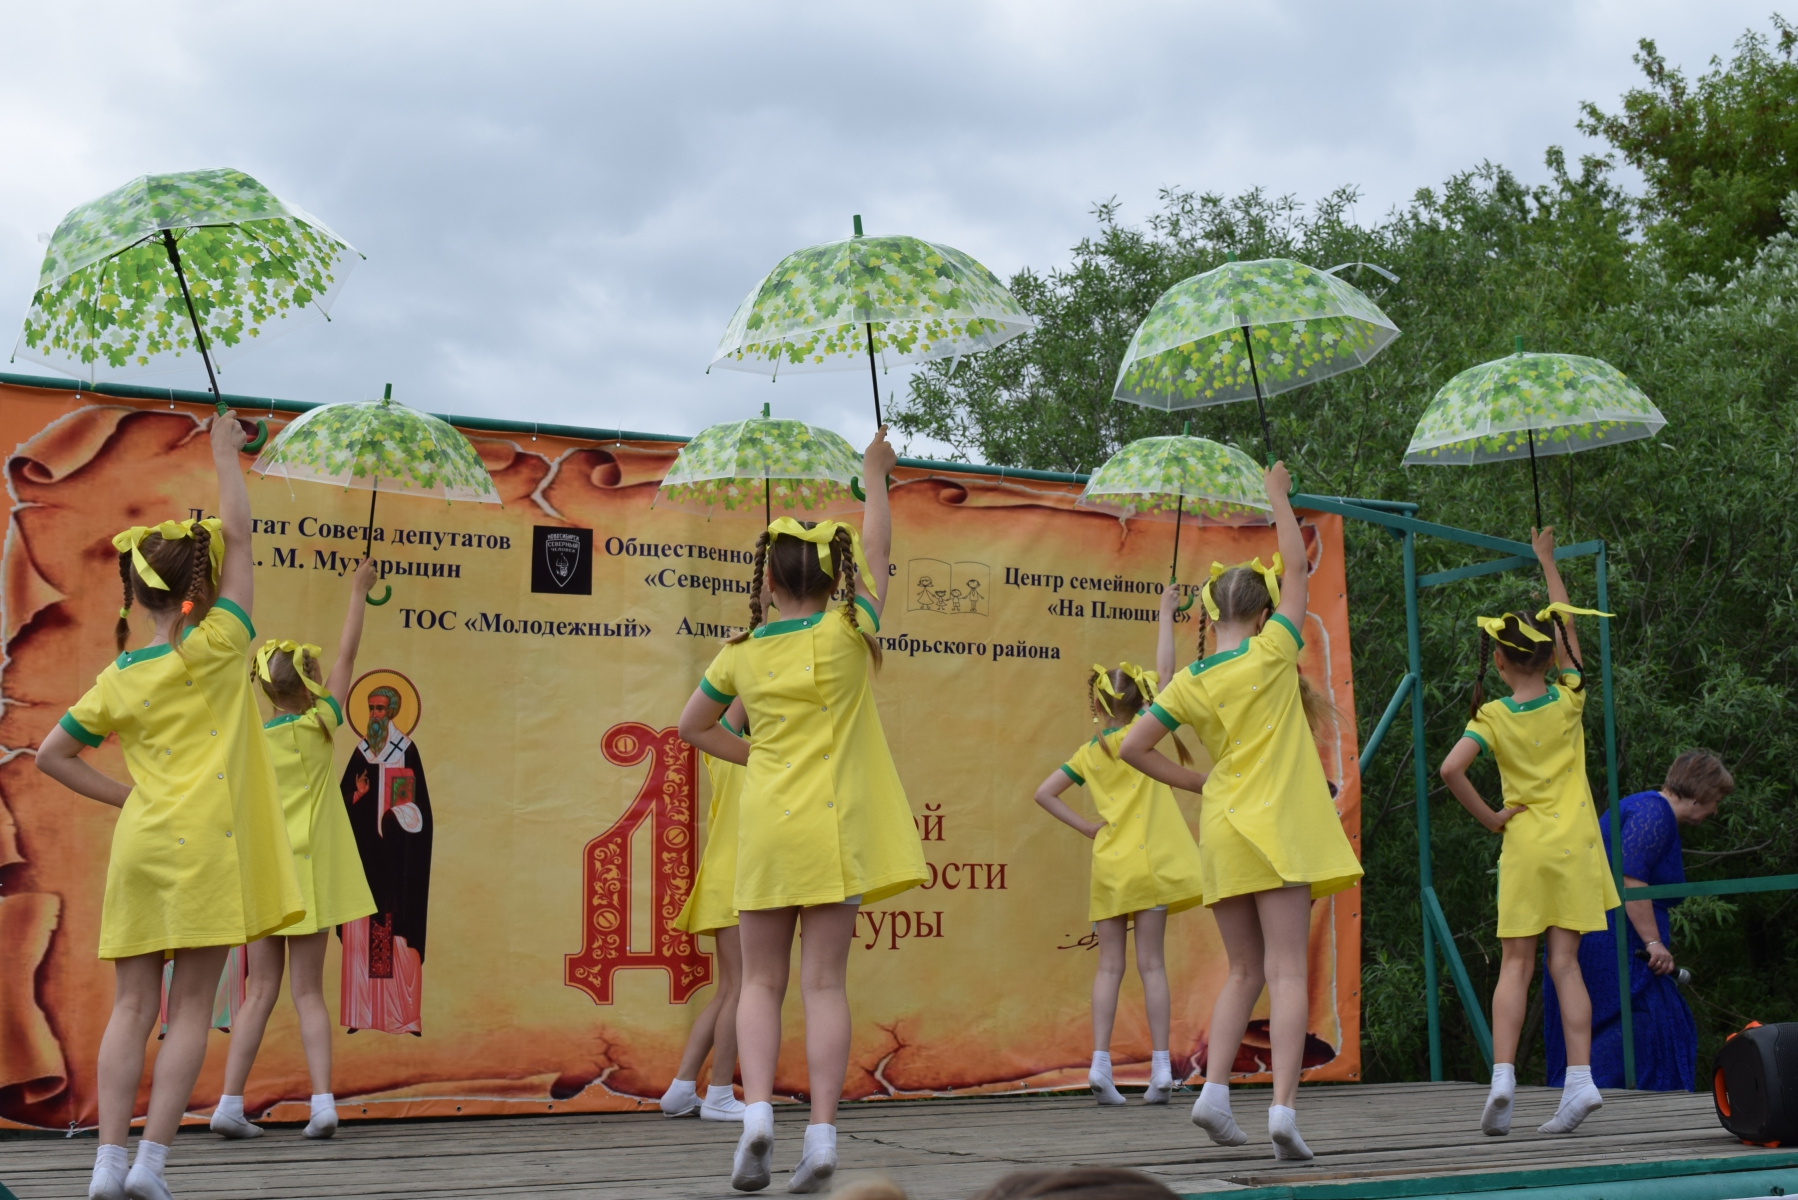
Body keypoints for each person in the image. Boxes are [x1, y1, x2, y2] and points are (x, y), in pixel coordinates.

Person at [35, 412, 303, 1200]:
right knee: (188, 1011)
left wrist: (129, 797)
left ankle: (105, 1165)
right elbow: (241, 538)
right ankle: (150, 1166)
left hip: (144, 843)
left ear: (137, 590)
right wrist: (225, 454)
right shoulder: (222, 645)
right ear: (201, 589)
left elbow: (52, 755)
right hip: (208, 849)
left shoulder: (117, 680)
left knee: (130, 1007)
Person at [677, 427, 926, 1194]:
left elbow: (693, 727)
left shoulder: (741, 651)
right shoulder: (851, 630)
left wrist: (757, 756)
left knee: (759, 983)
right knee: (824, 985)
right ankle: (820, 1133)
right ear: (831, 576)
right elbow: (879, 552)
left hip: (768, 826)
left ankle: (755, 1115)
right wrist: (874, 475)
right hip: (833, 828)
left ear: (768, 578)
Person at [1120, 462, 1361, 1163]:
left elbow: (1133, 748)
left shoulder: (1189, 684)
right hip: (1280, 828)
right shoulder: (1276, 650)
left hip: (1224, 828)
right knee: (1285, 973)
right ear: (1261, 616)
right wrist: (1278, 497)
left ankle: (1215, 1093)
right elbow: (1297, 567)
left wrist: (1199, 783)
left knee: (1241, 970)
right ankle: (1282, 1109)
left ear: (1210, 615)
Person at [1438, 526, 1618, 1136]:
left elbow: (1450, 769)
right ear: (1548, 659)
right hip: (1575, 847)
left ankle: (1503, 1079)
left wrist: (1491, 817)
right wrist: (1548, 561)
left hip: (1525, 847)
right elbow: (1568, 632)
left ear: (1498, 661)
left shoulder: (1492, 715)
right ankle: (1581, 1080)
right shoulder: (1570, 698)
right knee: (1566, 964)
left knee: (1516, 964)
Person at [210, 560, 382, 1141]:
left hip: (265, 880)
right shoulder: (321, 726)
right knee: (308, 993)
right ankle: (323, 1103)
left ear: (263, 689)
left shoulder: (251, 743)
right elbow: (348, 656)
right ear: (310, 685)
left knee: (259, 991)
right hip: (308, 883)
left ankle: (229, 1104)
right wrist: (357, 591)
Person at [1031, 586, 1203, 1106]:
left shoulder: (1089, 753)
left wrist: (1088, 829)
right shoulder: (1143, 739)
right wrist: (1165, 614)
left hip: (1110, 866)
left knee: (1109, 966)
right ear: (1139, 701)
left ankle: (1099, 1065)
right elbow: (1168, 675)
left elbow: (1043, 793)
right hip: (1150, 865)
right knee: (1152, 965)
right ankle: (1160, 1070)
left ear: (1096, 705)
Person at [1543, 750, 1733, 1091]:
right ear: (1700, 794)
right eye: (1716, 800)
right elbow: (1631, 879)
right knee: (1644, 1022)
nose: (1715, 810)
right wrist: (1653, 942)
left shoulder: (1648, 808)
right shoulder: (1653, 812)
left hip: (1611, 937)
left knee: (1655, 1021)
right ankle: (1576, 1094)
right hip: (1613, 941)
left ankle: (1588, 1096)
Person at [661, 697, 750, 1122]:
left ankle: (681, 1090)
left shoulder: (729, 747)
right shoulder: (734, 746)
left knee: (732, 988)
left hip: (725, 878)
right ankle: (718, 1094)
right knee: (744, 989)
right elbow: (742, 700)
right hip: (739, 880)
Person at [339, 681, 434, 1035]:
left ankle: (403, 1018)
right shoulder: (361, 752)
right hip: (365, 861)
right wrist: (358, 795)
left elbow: (422, 812)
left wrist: (402, 815)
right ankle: (363, 1016)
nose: (375, 715)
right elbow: (342, 804)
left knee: (396, 936)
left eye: (380, 709)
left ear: (392, 712)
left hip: (396, 864)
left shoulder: (406, 750)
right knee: (363, 935)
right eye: (371, 708)